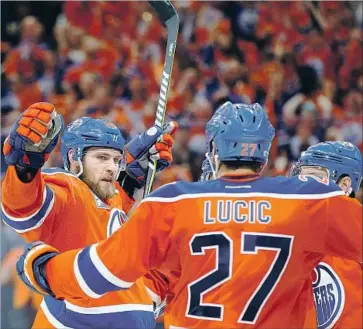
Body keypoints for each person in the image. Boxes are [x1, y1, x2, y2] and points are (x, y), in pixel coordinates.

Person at [15, 102, 362, 329]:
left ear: (213, 149)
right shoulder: (312, 204)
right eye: (102, 159)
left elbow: (105, 271)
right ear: (266, 154)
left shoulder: (173, 202)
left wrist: (45, 271)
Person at [1, 102, 177, 329]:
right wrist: (25, 166)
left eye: (116, 160)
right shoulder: (68, 189)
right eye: (102, 157)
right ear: (74, 159)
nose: (113, 168)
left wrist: (135, 170)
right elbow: (23, 204)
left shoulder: (109, 197)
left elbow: (111, 204)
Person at [290, 142, 362, 329]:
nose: (303, 185)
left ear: (345, 185)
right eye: (301, 177)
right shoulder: (287, 231)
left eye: (314, 178)